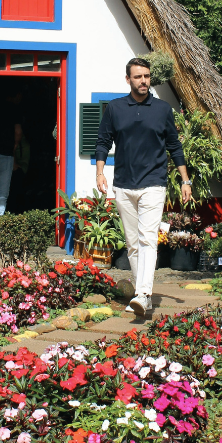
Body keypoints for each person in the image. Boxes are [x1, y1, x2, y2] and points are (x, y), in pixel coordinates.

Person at [92, 58, 191, 320]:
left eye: (146, 76)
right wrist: (100, 172)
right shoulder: (114, 108)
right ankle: (141, 295)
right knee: (133, 244)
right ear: (128, 79)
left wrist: (185, 180)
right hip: (123, 184)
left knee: (148, 239)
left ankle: (144, 293)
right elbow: (103, 142)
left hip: (154, 183)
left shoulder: (162, 109)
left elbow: (174, 147)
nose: (143, 81)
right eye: (138, 77)